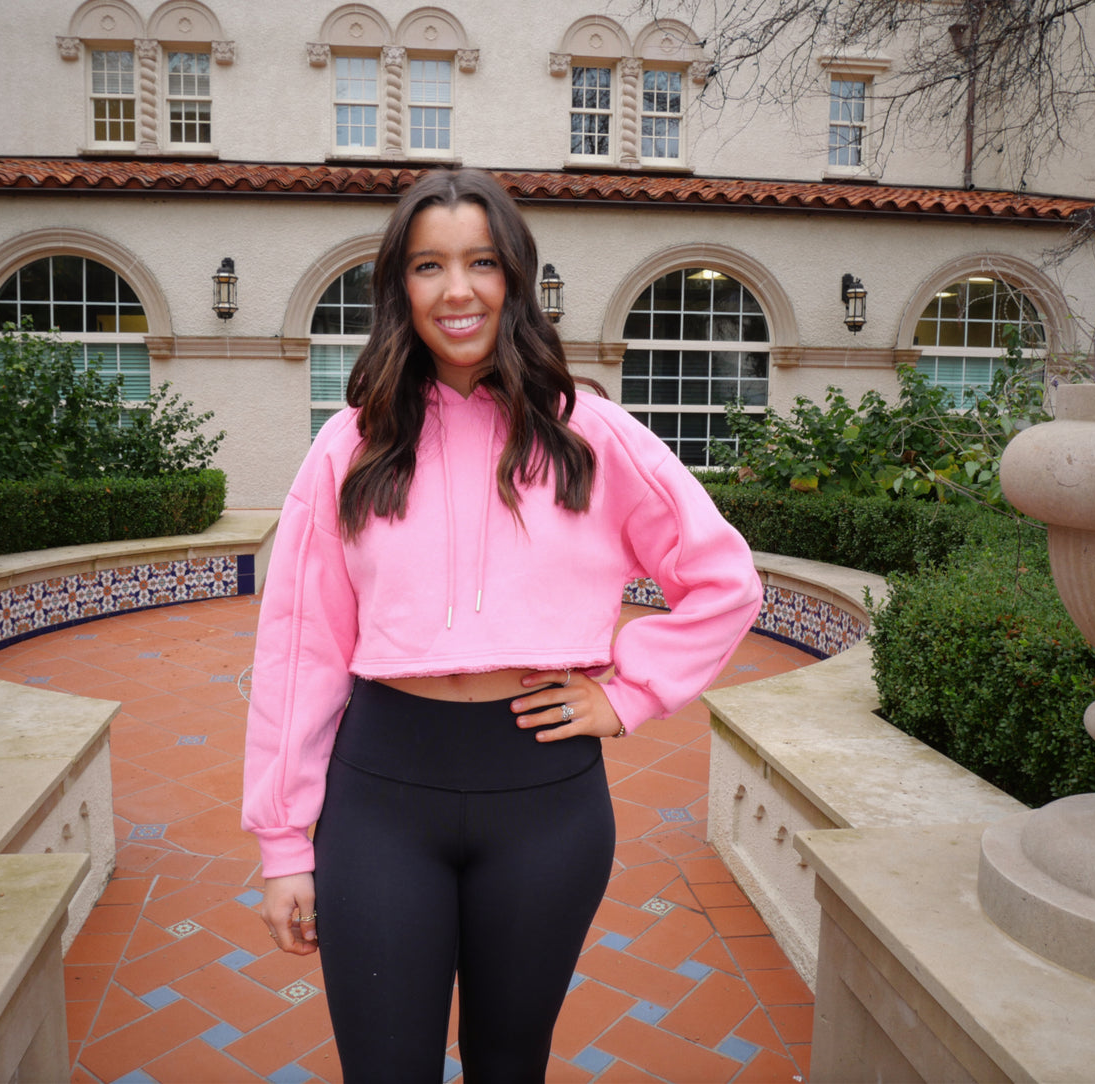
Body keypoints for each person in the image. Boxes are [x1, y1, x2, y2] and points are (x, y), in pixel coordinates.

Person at [243, 168, 763, 1082]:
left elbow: (723, 581)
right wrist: (283, 842)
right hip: (379, 794)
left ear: (514, 278)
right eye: (427, 266)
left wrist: (628, 693)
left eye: (481, 262)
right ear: (398, 288)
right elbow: (300, 648)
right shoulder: (349, 446)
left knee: (509, 1066)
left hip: (544, 795)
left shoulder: (591, 435)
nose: (457, 290)